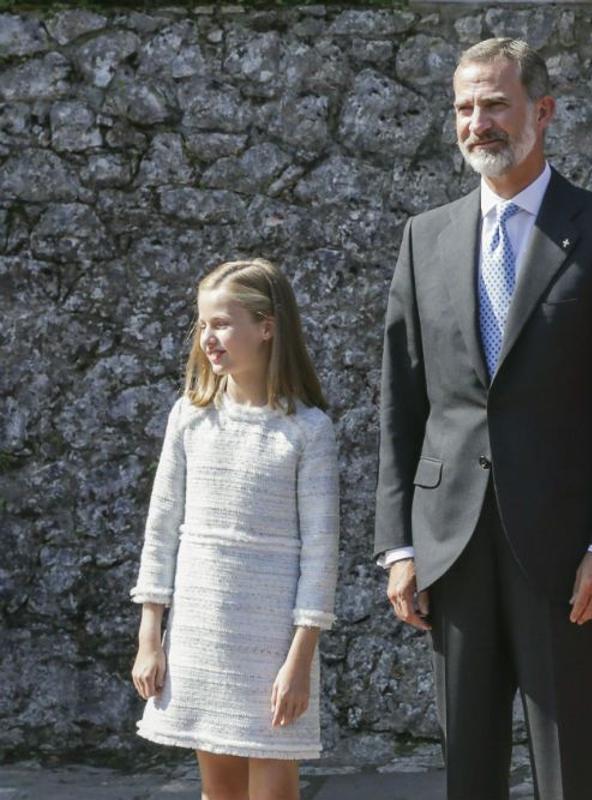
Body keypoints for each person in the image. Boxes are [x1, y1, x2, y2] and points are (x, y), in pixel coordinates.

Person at [374, 38, 592, 800]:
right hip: (451, 543)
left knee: (569, 763)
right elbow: (401, 404)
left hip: (568, 550)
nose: (479, 123)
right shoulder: (423, 238)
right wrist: (399, 544)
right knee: (467, 766)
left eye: (495, 104)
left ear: (543, 111)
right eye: (464, 108)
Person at [130, 258, 340, 800]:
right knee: (218, 792)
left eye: (221, 323)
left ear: (266, 327)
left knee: (273, 789)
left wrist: (300, 660)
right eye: (203, 325)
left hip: (272, 643)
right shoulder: (190, 417)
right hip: (201, 629)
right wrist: (150, 635)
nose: (208, 338)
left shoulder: (307, 432)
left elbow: (320, 552)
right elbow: (163, 526)